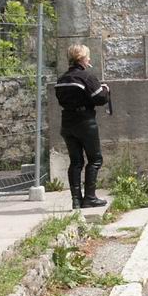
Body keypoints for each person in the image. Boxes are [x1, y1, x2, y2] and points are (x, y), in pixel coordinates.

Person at [54, 44, 110, 210]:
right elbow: (100, 99)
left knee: (76, 162)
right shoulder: (86, 77)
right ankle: (90, 198)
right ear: (82, 59)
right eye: (88, 56)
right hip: (85, 122)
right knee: (95, 159)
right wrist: (105, 90)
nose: (89, 59)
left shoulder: (62, 79)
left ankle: (76, 200)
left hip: (67, 122)